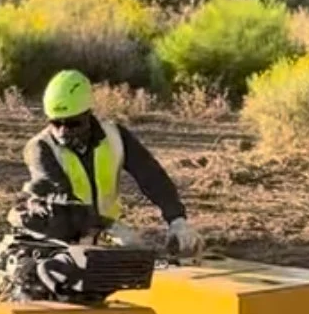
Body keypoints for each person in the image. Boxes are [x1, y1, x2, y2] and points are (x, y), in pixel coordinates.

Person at [18, 68, 201, 257]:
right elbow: (64, 204)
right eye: (56, 123)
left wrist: (177, 219)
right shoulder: (40, 149)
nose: (63, 132)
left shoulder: (115, 136)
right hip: (59, 243)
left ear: (87, 114)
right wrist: (109, 227)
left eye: (73, 123)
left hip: (103, 237)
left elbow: (151, 176)